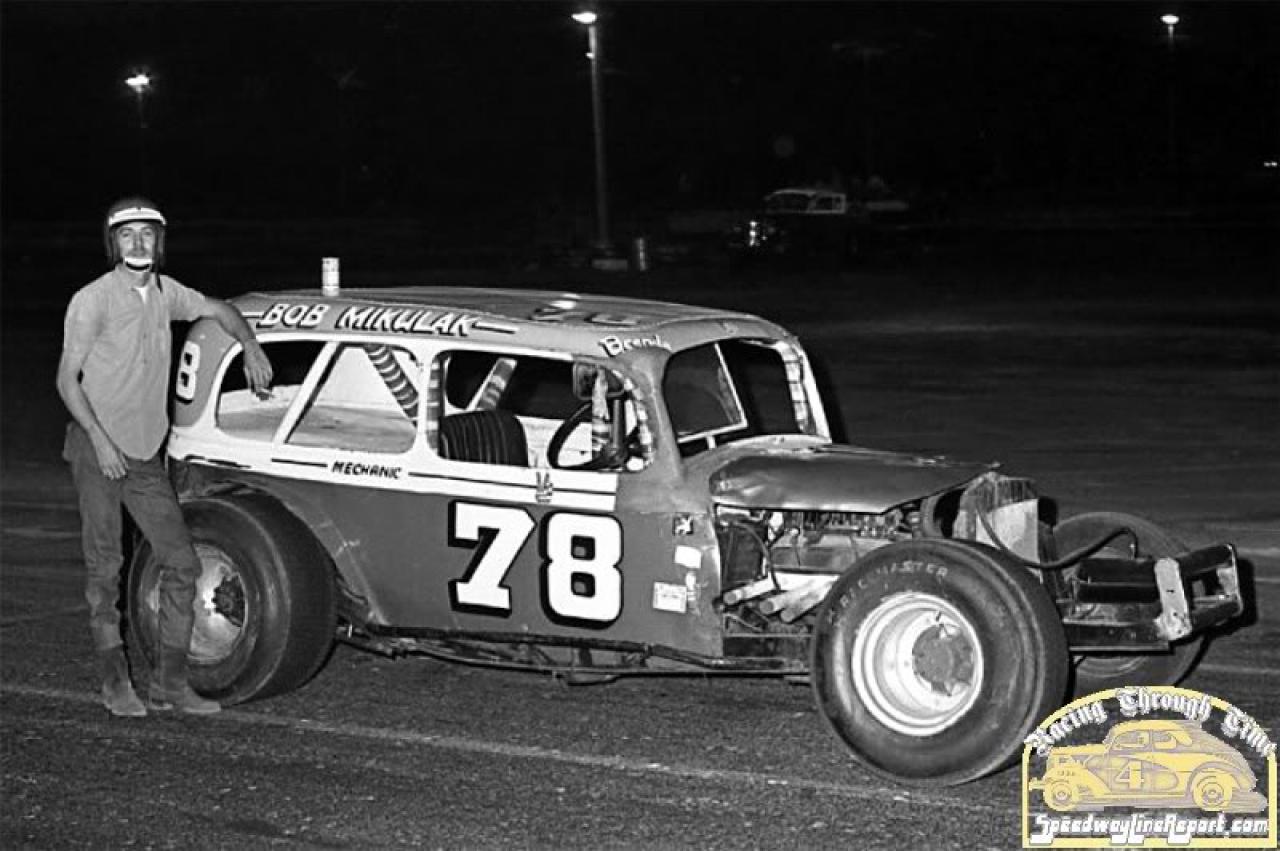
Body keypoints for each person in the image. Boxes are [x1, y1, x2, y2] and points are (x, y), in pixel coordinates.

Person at [56, 197, 272, 717]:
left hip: (143, 453)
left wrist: (251, 346)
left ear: (159, 242)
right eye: (127, 234)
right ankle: (115, 683)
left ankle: (170, 683)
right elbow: (66, 380)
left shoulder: (165, 293)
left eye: (147, 234)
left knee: (182, 564)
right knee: (105, 568)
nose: (138, 243)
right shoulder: (93, 299)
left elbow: (221, 309)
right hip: (96, 447)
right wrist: (100, 440)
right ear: (113, 244)